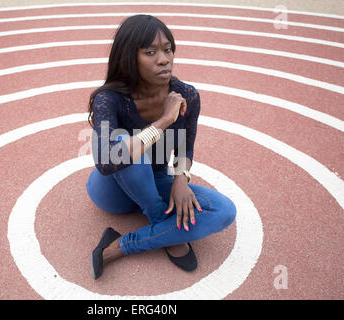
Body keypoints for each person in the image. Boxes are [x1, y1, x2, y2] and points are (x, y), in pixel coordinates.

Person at [86, 15, 236, 280]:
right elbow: (107, 161)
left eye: (167, 49)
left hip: (155, 182)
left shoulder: (187, 95)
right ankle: (160, 222)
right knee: (124, 144)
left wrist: (181, 179)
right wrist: (165, 120)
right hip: (112, 190)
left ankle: (120, 245)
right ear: (129, 58)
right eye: (150, 52)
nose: (164, 59)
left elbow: (185, 149)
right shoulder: (108, 99)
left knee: (224, 211)